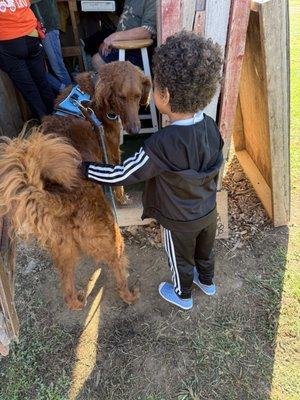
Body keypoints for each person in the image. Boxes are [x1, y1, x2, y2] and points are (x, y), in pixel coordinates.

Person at [81, 32, 224, 310]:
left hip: (178, 221)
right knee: (205, 252)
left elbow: (121, 174)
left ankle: (182, 295)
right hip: (208, 211)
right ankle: (207, 281)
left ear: (165, 95)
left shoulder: (161, 144)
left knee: (179, 258)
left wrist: (86, 168)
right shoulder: (210, 126)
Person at [0, 0, 55, 120]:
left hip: (8, 41)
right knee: (42, 82)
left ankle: (47, 126)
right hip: (30, 35)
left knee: (30, 91)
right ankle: (57, 118)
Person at [90, 0, 156, 70]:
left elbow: (146, 32)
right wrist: (111, 41)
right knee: (96, 53)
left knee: (97, 60)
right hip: (123, 45)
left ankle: (121, 80)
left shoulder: (151, 1)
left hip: (136, 51)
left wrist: (113, 37)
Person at [31, 0, 72, 93]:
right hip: (36, 28)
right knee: (37, 68)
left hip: (47, 27)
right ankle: (67, 91)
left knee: (58, 67)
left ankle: (70, 95)